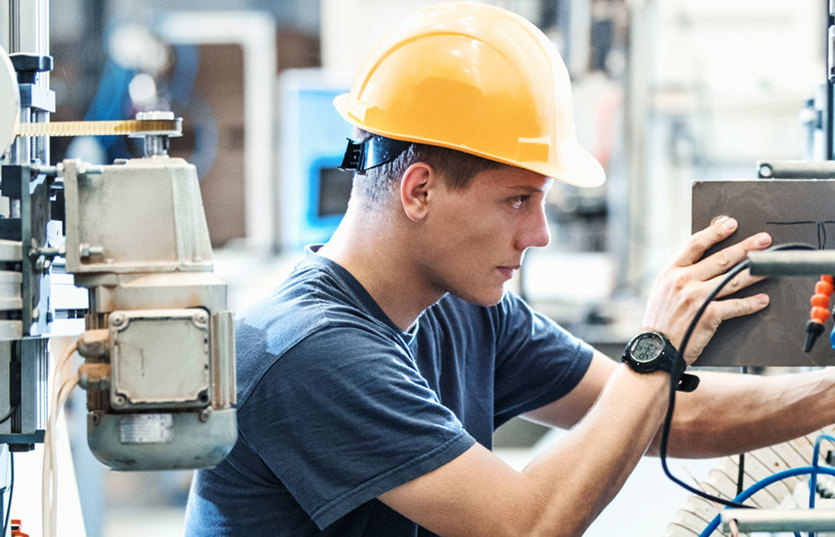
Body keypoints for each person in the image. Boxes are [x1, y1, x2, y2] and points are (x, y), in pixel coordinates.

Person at [185, 3, 835, 536]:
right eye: (518, 200)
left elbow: (665, 415)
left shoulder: (464, 309)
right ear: (419, 191)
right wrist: (655, 349)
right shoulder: (308, 350)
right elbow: (523, 526)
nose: (539, 234)